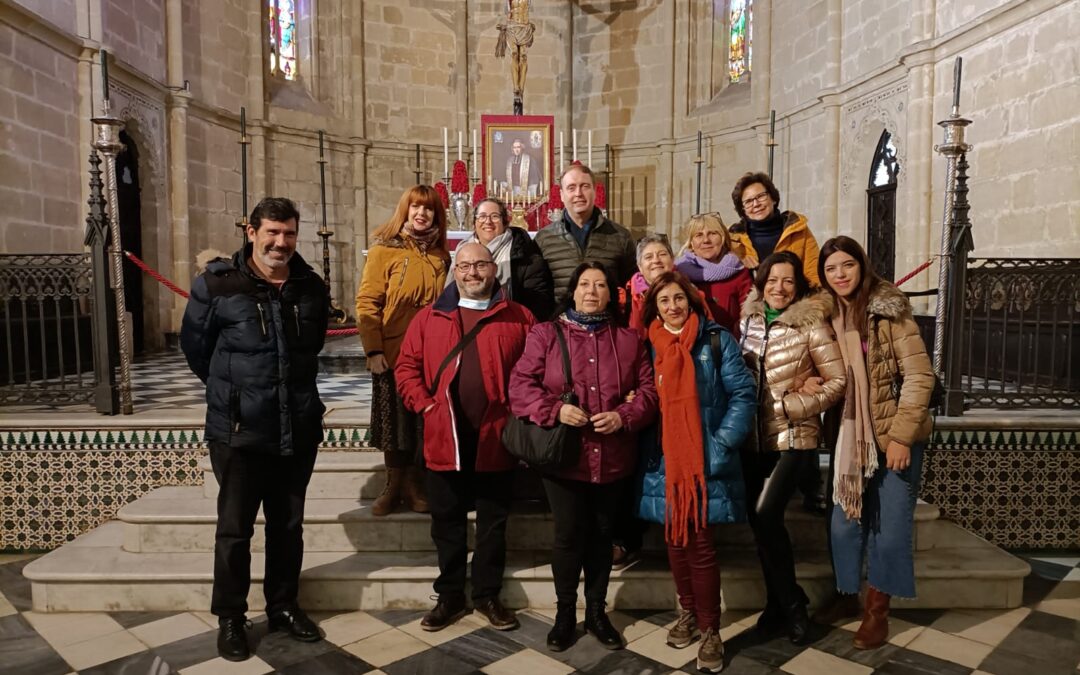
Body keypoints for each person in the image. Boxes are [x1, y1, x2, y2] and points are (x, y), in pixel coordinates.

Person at [180, 197, 329, 662]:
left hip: (296, 426)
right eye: (272, 233)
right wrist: (235, 394)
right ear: (252, 232)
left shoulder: (310, 286)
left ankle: (283, 606)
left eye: (289, 233)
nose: (281, 242)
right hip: (239, 430)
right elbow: (196, 349)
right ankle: (231, 616)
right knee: (235, 529)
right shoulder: (218, 284)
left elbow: (311, 348)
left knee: (288, 525)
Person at [509, 262, 658, 652]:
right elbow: (520, 385)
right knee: (568, 535)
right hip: (565, 457)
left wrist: (624, 415)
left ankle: (596, 612)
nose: (592, 291)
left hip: (612, 455)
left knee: (603, 535)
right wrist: (555, 410)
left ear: (611, 294)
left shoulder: (628, 340)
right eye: (585, 284)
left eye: (601, 285)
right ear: (573, 291)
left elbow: (648, 391)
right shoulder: (545, 334)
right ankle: (564, 614)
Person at [396, 243, 535, 633]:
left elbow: (536, 369)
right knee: (447, 522)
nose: (473, 272)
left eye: (480, 265)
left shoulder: (519, 316)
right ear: (454, 272)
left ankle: (487, 595)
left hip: (497, 436)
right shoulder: (429, 317)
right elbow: (406, 366)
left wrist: (519, 412)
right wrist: (424, 404)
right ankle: (450, 595)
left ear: (494, 269)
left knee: (492, 523)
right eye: (465, 266)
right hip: (446, 436)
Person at [813, 236, 934, 650]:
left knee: (889, 527)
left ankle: (877, 612)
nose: (840, 274)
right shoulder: (825, 316)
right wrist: (808, 381)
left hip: (893, 435)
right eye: (831, 269)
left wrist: (900, 437)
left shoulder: (889, 311)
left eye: (847, 265)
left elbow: (919, 375)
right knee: (844, 524)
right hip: (850, 439)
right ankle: (847, 593)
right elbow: (818, 367)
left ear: (862, 266)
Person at [637, 272, 757, 673]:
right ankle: (688, 613)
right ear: (655, 308)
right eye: (664, 300)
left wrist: (721, 443)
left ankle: (710, 630)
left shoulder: (715, 339)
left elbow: (743, 394)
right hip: (665, 460)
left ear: (690, 301)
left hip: (703, 458)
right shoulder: (647, 344)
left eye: (678, 298)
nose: (672, 306)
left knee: (700, 546)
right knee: (674, 540)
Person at [737, 251, 846, 644]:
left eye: (787, 281)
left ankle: (794, 606)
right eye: (772, 280)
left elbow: (837, 381)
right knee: (760, 524)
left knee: (766, 514)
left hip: (794, 436)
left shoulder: (811, 324)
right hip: (753, 437)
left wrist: (792, 405)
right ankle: (777, 605)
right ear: (761, 283)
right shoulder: (748, 321)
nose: (779, 288)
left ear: (798, 286)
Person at [355, 185, 451, 516]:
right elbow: (368, 302)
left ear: (437, 215)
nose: (421, 213)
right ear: (405, 211)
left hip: (430, 352)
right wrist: (373, 350)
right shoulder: (384, 250)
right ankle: (392, 484)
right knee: (394, 424)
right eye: (415, 207)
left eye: (428, 208)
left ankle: (414, 484)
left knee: (421, 423)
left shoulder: (441, 256)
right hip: (393, 351)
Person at [535, 164, 637, 305]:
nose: (578, 193)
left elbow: (632, 287)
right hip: (561, 317)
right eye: (571, 188)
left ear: (595, 191)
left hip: (607, 317)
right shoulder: (543, 239)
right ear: (562, 195)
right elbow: (539, 292)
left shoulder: (620, 236)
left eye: (585, 186)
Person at [452, 197, 553, 319]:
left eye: (495, 216)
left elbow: (537, 306)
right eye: (482, 216)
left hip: (511, 322)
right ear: (474, 223)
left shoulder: (526, 257)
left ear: (505, 222)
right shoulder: (462, 250)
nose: (488, 221)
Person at [728, 172, 821, 287]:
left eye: (761, 196)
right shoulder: (732, 238)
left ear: (773, 199)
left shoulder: (798, 229)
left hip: (794, 297)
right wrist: (738, 263)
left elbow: (814, 276)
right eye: (748, 201)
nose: (756, 204)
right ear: (743, 210)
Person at [675, 213, 754, 335]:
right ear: (691, 243)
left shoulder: (739, 272)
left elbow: (749, 315)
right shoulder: (679, 274)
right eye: (699, 235)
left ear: (723, 239)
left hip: (730, 342)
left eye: (712, 233)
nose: (706, 240)